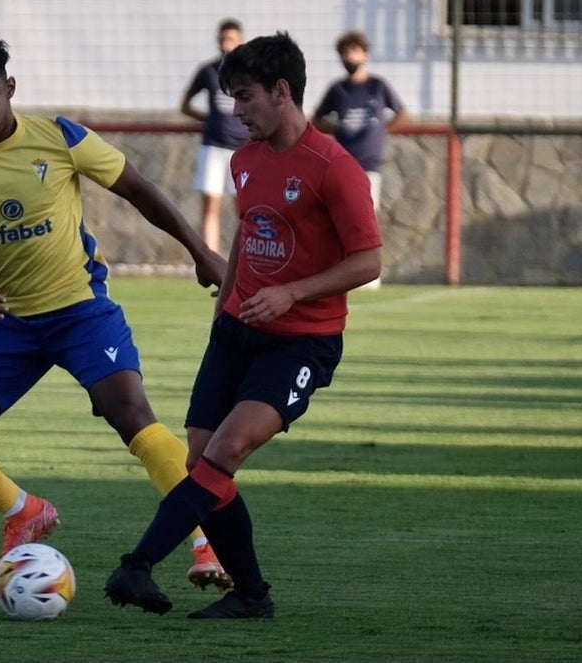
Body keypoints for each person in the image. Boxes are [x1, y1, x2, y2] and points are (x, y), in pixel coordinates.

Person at [0, 33, 232, 590]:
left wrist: (201, 253)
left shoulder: (59, 137)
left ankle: (208, 544)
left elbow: (140, 190)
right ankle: (22, 510)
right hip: (6, 321)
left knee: (132, 414)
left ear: (9, 88)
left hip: (81, 310)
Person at [104, 31, 383, 619]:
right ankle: (251, 595)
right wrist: (224, 303)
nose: (235, 111)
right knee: (201, 462)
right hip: (235, 332)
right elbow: (247, 233)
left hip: (302, 342)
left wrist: (291, 293)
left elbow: (369, 261)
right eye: (231, 97)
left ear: (283, 91)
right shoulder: (244, 158)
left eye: (246, 97)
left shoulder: (335, 167)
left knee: (225, 450)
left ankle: (138, 563)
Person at [311, 30, 407, 288]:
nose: (349, 56)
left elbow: (401, 113)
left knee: (368, 215)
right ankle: (342, 270)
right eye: (344, 52)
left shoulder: (378, 86)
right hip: (343, 164)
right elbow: (317, 120)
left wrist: (381, 131)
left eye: (354, 51)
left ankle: (370, 273)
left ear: (365, 54)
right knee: (340, 216)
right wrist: (335, 130)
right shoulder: (337, 89)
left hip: (369, 163)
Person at [179, 18, 250, 253]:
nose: (226, 44)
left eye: (231, 39)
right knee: (211, 204)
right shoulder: (208, 71)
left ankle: (246, 255)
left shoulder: (249, 73)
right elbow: (185, 104)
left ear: (241, 41)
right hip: (214, 144)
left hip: (242, 148)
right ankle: (211, 257)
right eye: (222, 39)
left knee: (244, 206)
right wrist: (206, 119)